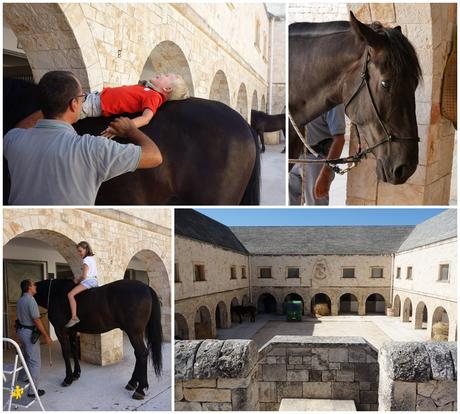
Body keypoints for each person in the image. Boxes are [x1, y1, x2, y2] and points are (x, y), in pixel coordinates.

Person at [4, 71, 163, 205]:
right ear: (74, 105)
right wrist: (130, 130)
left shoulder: (12, 139)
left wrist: (49, 105)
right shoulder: (93, 148)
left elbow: (21, 127)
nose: (84, 99)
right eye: (82, 96)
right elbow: (155, 157)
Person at [80, 74, 189, 138]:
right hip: (95, 96)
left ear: (167, 89)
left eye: (166, 75)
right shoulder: (148, 90)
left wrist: (121, 128)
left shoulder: (154, 97)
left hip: (93, 105)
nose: (161, 73)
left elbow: (146, 118)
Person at [289, 105, 345, 205]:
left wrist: (325, 173)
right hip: (294, 157)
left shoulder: (332, 101)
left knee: (315, 208)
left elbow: (339, 139)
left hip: (316, 161)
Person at [16, 279, 53, 397]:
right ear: (29, 287)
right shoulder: (31, 300)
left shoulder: (21, 300)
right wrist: (46, 336)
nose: (35, 286)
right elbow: (36, 320)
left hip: (21, 332)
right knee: (35, 362)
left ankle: (21, 381)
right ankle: (33, 391)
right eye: (33, 285)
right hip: (28, 333)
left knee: (26, 358)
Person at [65, 241, 98, 328]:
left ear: (86, 249)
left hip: (89, 281)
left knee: (70, 294)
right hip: (94, 280)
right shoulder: (92, 259)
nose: (79, 253)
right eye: (78, 251)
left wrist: (77, 280)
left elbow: (84, 276)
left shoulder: (86, 260)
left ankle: (74, 317)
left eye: (80, 251)